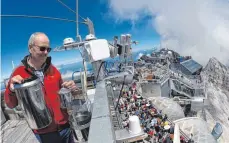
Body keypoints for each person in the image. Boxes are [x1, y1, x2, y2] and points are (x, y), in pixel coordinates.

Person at [4, 32, 78, 143]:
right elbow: (10, 104)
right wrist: (11, 90)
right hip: (45, 133)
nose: (46, 53)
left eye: (48, 49)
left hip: (65, 126)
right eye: (42, 48)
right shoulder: (18, 73)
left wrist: (69, 88)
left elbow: (61, 92)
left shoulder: (53, 69)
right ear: (30, 48)